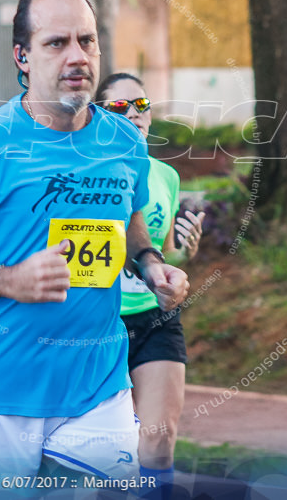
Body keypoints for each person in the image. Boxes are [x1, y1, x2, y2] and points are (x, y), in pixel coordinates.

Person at [0, 0, 189, 480]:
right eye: (56, 43)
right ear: (23, 57)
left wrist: (151, 265)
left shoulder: (123, 140)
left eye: (87, 40)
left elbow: (132, 217)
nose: (77, 56)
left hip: (96, 387)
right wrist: (5, 280)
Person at [96, 73, 204, 490]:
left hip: (155, 319)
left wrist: (182, 254)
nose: (134, 115)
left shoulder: (165, 176)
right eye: (120, 107)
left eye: (141, 105)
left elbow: (156, 251)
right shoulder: (86, 171)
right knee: (108, 447)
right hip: (98, 323)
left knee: (158, 441)